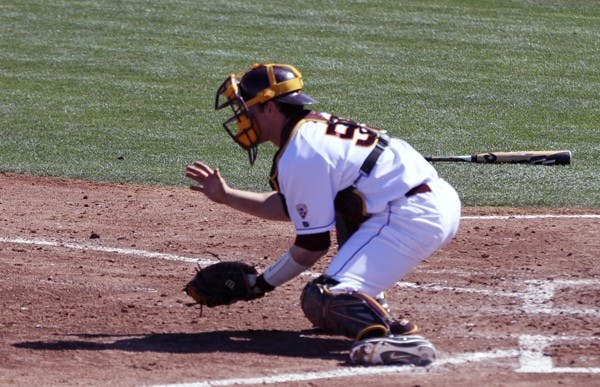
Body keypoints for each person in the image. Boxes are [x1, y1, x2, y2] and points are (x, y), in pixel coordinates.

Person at [186, 63, 461, 365]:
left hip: (408, 215)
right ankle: (366, 296)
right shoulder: (312, 129)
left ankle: (397, 337)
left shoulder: (302, 152)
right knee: (343, 214)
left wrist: (259, 285)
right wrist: (227, 197)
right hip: (420, 205)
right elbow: (298, 207)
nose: (242, 118)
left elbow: (312, 245)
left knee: (322, 298)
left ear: (271, 107)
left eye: (247, 108)